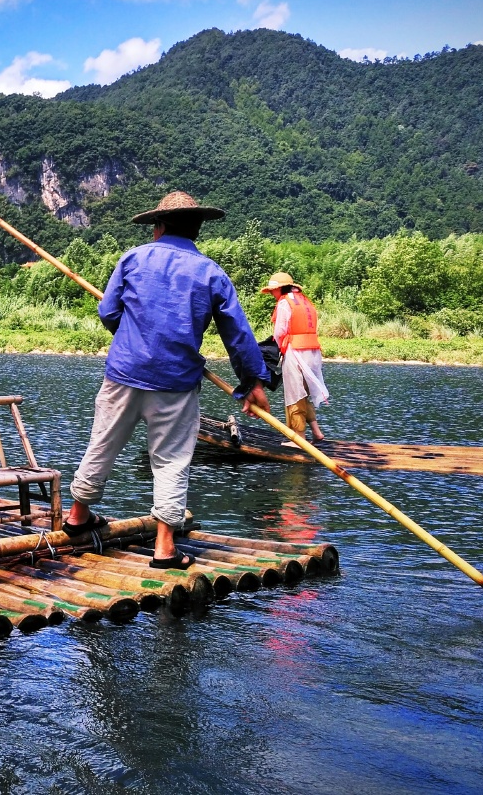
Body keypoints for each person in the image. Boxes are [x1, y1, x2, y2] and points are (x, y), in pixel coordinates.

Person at [66, 192, 271, 570]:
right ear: (196, 229)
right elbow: (237, 335)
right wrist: (252, 382)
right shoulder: (211, 273)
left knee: (102, 444)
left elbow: (108, 311)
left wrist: (132, 334)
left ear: (158, 227)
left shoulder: (133, 258)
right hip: (175, 384)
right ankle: (164, 549)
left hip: (124, 374)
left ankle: (77, 515)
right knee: (172, 461)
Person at [260, 272, 329, 443]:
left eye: (273, 291)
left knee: (294, 394)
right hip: (313, 351)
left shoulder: (285, 303)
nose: (272, 294)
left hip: (295, 351)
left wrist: (275, 348)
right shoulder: (305, 300)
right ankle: (316, 432)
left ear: (280, 288)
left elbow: (280, 332)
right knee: (304, 393)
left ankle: (299, 439)